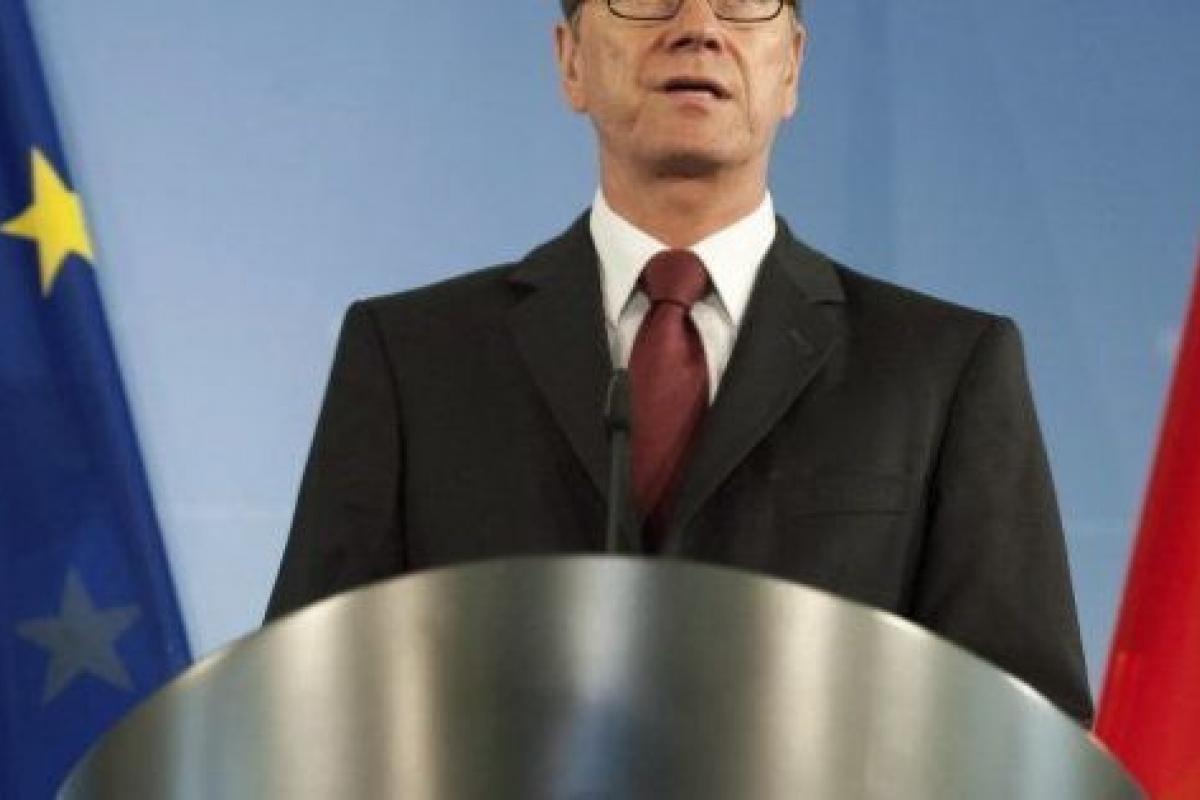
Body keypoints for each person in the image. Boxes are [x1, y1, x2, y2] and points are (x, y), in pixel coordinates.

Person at [265, 0, 1093, 724]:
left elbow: (1022, 735)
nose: (697, 27)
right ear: (570, 60)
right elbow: (306, 705)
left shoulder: (943, 370)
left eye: (741, 3)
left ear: (792, 66)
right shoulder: (411, 358)